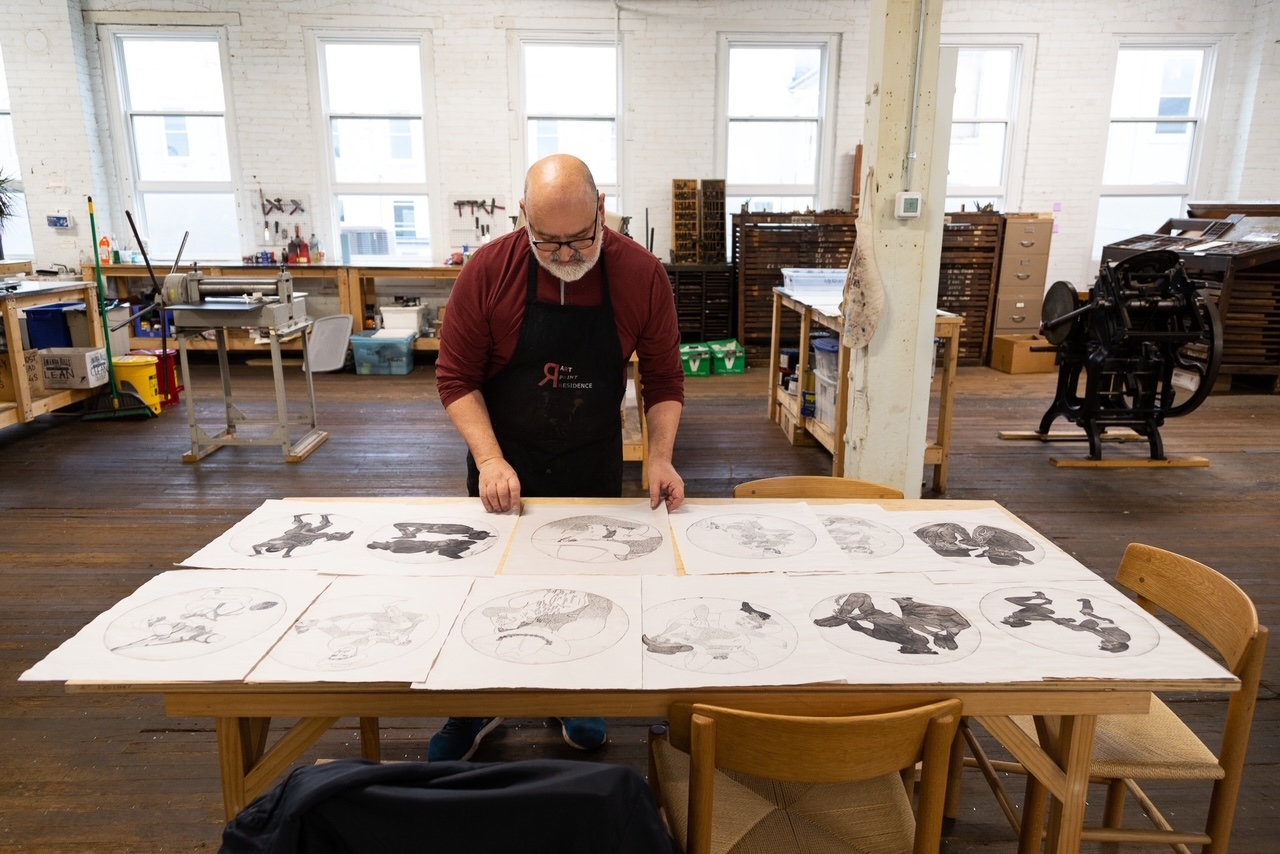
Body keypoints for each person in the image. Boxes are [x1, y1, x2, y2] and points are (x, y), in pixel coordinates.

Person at [432, 153, 687, 761]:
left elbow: (664, 379)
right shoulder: (489, 271)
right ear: (523, 218)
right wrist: (490, 460)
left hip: (590, 457)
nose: (568, 256)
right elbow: (455, 377)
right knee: (489, 587)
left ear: (603, 211)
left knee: (585, 580)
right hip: (505, 458)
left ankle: (578, 689)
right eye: (549, 242)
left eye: (581, 239)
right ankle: (473, 704)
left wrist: (660, 458)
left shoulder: (640, 274)